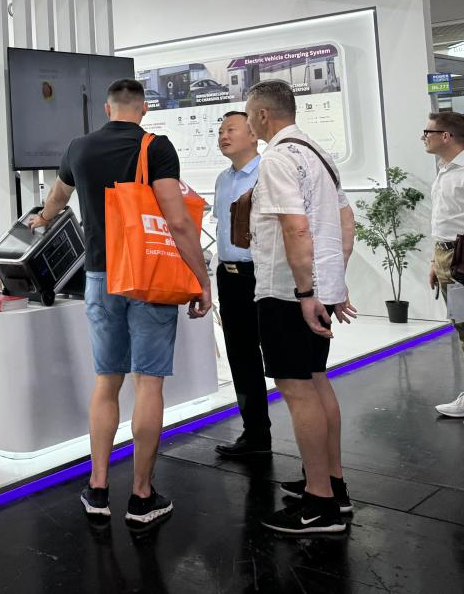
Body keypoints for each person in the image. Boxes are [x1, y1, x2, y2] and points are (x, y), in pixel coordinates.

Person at [28, 78, 212, 528]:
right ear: (143, 109)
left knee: (106, 381)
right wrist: (201, 280)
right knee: (148, 384)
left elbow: (58, 197)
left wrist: (43, 218)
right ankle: (142, 496)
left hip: (99, 276)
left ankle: (97, 488)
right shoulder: (157, 147)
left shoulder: (79, 148)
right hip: (148, 276)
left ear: (108, 109)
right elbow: (177, 221)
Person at [245, 80, 357, 535]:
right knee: (316, 380)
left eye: (248, 115)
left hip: (286, 292)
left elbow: (295, 228)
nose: (247, 123)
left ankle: (319, 504)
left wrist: (306, 293)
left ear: (263, 115)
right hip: (317, 287)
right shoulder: (318, 153)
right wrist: (334, 281)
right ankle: (332, 484)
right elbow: (346, 221)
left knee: (298, 390)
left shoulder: (277, 157)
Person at [211, 110, 270, 456]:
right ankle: (256, 435)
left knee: (278, 357)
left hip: (261, 275)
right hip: (229, 277)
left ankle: (313, 454)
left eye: (230, 129)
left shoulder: (267, 173)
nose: (223, 136)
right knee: (241, 356)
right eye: (220, 131)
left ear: (253, 135)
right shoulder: (223, 179)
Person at [421, 111, 464, 417]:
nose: (424, 137)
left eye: (428, 132)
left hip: (462, 258)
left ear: (446, 136)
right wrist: (436, 261)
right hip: (447, 256)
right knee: (461, 327)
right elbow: (445, 221)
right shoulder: (445, 169)